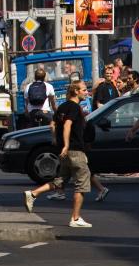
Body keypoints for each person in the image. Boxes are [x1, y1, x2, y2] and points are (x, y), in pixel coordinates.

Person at [24, 81, 93, 228]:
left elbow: (53, 124)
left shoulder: (62, 106)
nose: (86, 92)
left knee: (60, 180)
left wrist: (56, 140)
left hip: (65, 151)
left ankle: (33, 193)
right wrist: (67, 145)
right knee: (81, 184)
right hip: (74, 150)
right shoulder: (74, 107)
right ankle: (75, 218)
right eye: (84, 90)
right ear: (76, 91)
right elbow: (68, 124)